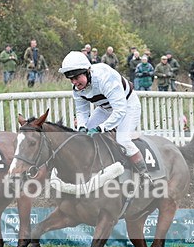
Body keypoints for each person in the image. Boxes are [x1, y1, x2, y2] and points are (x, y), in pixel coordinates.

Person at [58, 51, 152, 184]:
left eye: (76, 77)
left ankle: (145, 176)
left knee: (123, 140)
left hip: (127, 106)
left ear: (87, 71)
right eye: (71, 79)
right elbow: (82, 111)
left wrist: (101, 128)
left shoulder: (104, 78)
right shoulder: (77, 88)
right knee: (82, 138)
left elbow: (119, 110)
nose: (74, 82)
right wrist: (82, 127)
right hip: (104, 109)